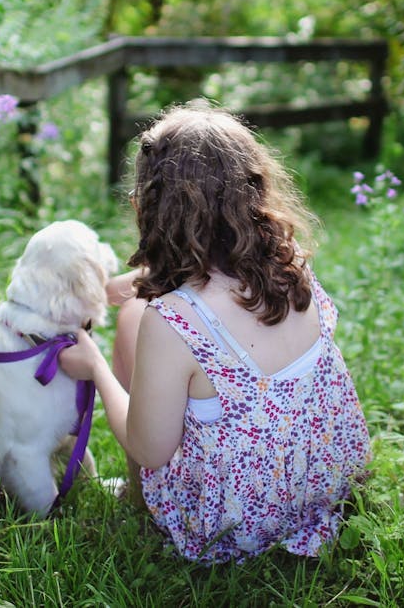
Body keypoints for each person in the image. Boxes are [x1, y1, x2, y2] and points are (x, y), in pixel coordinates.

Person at [58, 102, 371, 563]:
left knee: (131, 318)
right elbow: (208, 286)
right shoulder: (291, 266)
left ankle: (138, 499)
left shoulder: (170, 321)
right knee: (136, 310)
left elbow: (151, 449)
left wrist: (97, 369)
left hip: (232, 521)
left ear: (148, 207)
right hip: (323, 485)